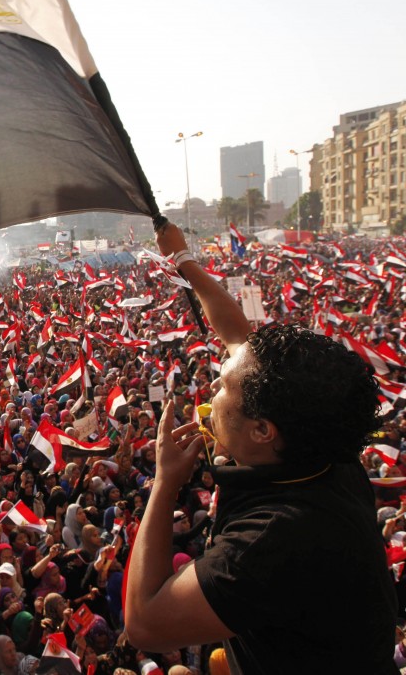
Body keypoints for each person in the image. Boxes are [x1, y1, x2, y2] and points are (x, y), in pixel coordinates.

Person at [124, 221, 398, 673]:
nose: (213, 383)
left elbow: (146, 623)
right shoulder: (326, 449)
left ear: (262, 430)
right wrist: (183, 260)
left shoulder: (272, 542)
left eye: (223, 386)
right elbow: (236, 334)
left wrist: (166, 481)